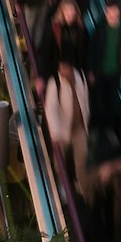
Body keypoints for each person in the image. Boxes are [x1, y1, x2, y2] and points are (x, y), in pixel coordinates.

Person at [44, 59, 90, 191]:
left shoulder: (80, 76)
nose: (62, 71)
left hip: (79, 128)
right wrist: (55, 134)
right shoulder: (55, 83)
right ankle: (62, 187)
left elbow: (85, 101)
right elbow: (51, 110)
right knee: (60, 162)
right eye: (60, 67)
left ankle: (82, 185)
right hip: (62, 131)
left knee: (82, 160)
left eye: (64, 67)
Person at [89, 4, 121, 129]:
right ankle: (96, 127)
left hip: (115, 73)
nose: (112, 17)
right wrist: (91, 70)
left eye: (115, 14)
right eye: (110, 14)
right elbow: (92, 50)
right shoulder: (100, 28)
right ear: (106, 13)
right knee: (98, 102)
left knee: (110, 103)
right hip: (99, 72)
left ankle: (106, 127)